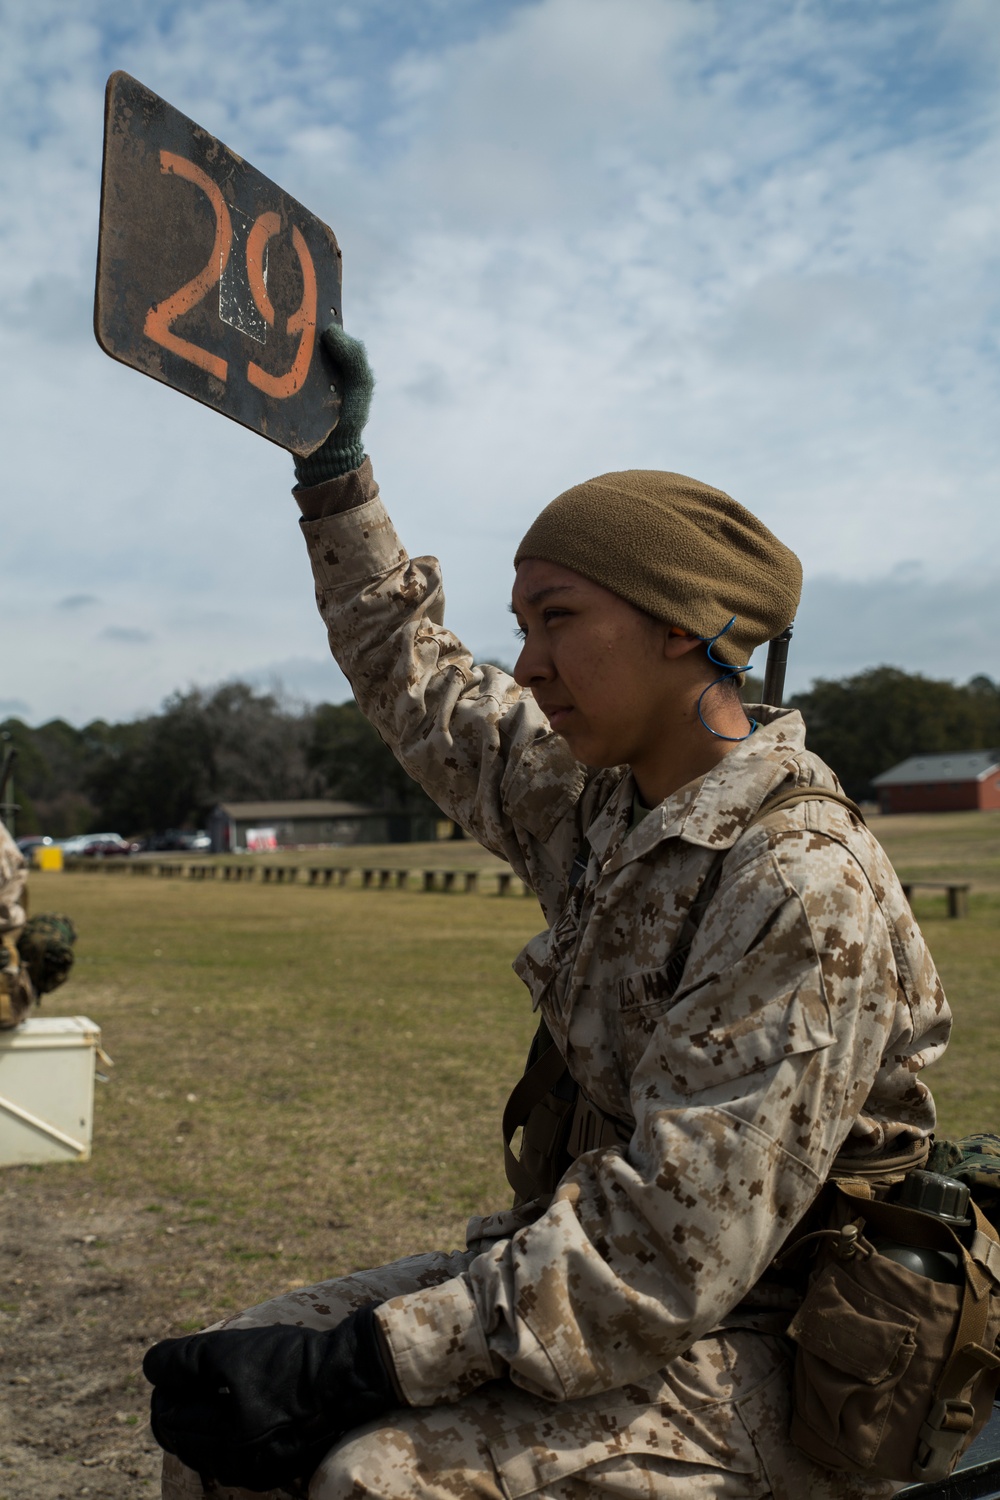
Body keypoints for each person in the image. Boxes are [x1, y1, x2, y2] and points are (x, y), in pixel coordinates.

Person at [145, 328, 951, 1500]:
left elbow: (671, 1256)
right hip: (615, 1283)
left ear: (681, 623)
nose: (525, 664)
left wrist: (369, 1362)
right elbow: (413, 673)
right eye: (521, 627)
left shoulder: (797, 878)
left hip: (791, 1348)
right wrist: (335, 474)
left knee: (377, 1479)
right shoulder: (600, 804)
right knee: (225, 1392)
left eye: (556, 618)